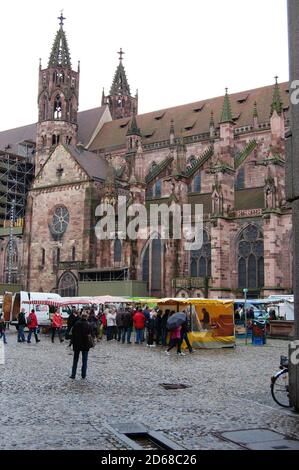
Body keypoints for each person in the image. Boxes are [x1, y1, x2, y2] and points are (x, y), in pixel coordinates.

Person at [70, 312, 92, 380]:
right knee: (84, 360)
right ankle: (83, 375)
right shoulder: (88, 324)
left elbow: (72, 334)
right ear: (86, 317)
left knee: (75, 360)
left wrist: (72, 343)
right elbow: (90, 334)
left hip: (77, 344)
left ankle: (73, 375)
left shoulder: (76, 324)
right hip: (85, 344)